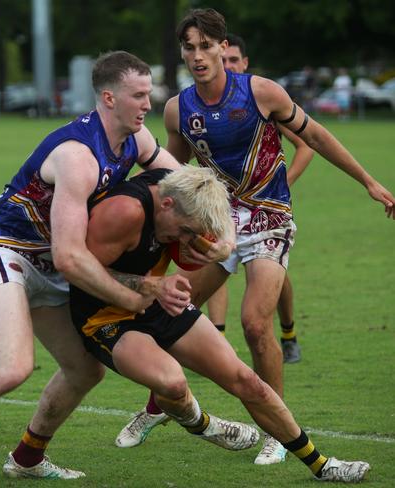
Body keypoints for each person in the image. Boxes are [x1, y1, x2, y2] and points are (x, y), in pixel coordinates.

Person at [0, 50, 232, 488]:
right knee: (12, 367)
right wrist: (136, 294)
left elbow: (195, 188)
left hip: (47, 262)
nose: (148, 103)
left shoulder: (136, 141)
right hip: (5, 251)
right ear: (108, 97)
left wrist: (225, 236)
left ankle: (27, 458)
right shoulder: (77, 157)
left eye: (149, 93)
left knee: (85, 369)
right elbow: (70, 258)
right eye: (138, 95)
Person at [117, 8, 394, 466]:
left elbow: (317, 137)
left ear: (225, 48)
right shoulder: (178, 109)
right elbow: (167, 171)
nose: (198, 55)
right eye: (190, 47)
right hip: (219, 224)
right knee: (173, 313)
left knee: (253, 323)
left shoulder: (261, 91)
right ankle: (160, 404)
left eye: (207, 46)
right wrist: (117, 200)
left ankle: (277, 433)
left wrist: (368, 181)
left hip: (269, 217)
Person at [74, 166, 369, 483]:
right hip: (104, 315)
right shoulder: (124, 212)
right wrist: (152, 286)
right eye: (186, 230)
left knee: (247, 380)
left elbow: (221, 216)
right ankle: (204, 425)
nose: (188, 239)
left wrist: (223, 245)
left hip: (156, 300)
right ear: (168, 205)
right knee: (172, 383)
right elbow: (80, 271)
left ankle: (322, 465)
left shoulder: (183, 190)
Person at [206, 33, 314, 364]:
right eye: (223, 61)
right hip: (223, 209)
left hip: (266, 213)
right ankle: (218, 338)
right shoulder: (202, 104)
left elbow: (307, 145)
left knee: (275, 283)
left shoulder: (259, 98)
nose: (227, 66)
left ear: (245, 62)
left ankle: (288, 331)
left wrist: (281, 183)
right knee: (214, 260)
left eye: (233, 60)